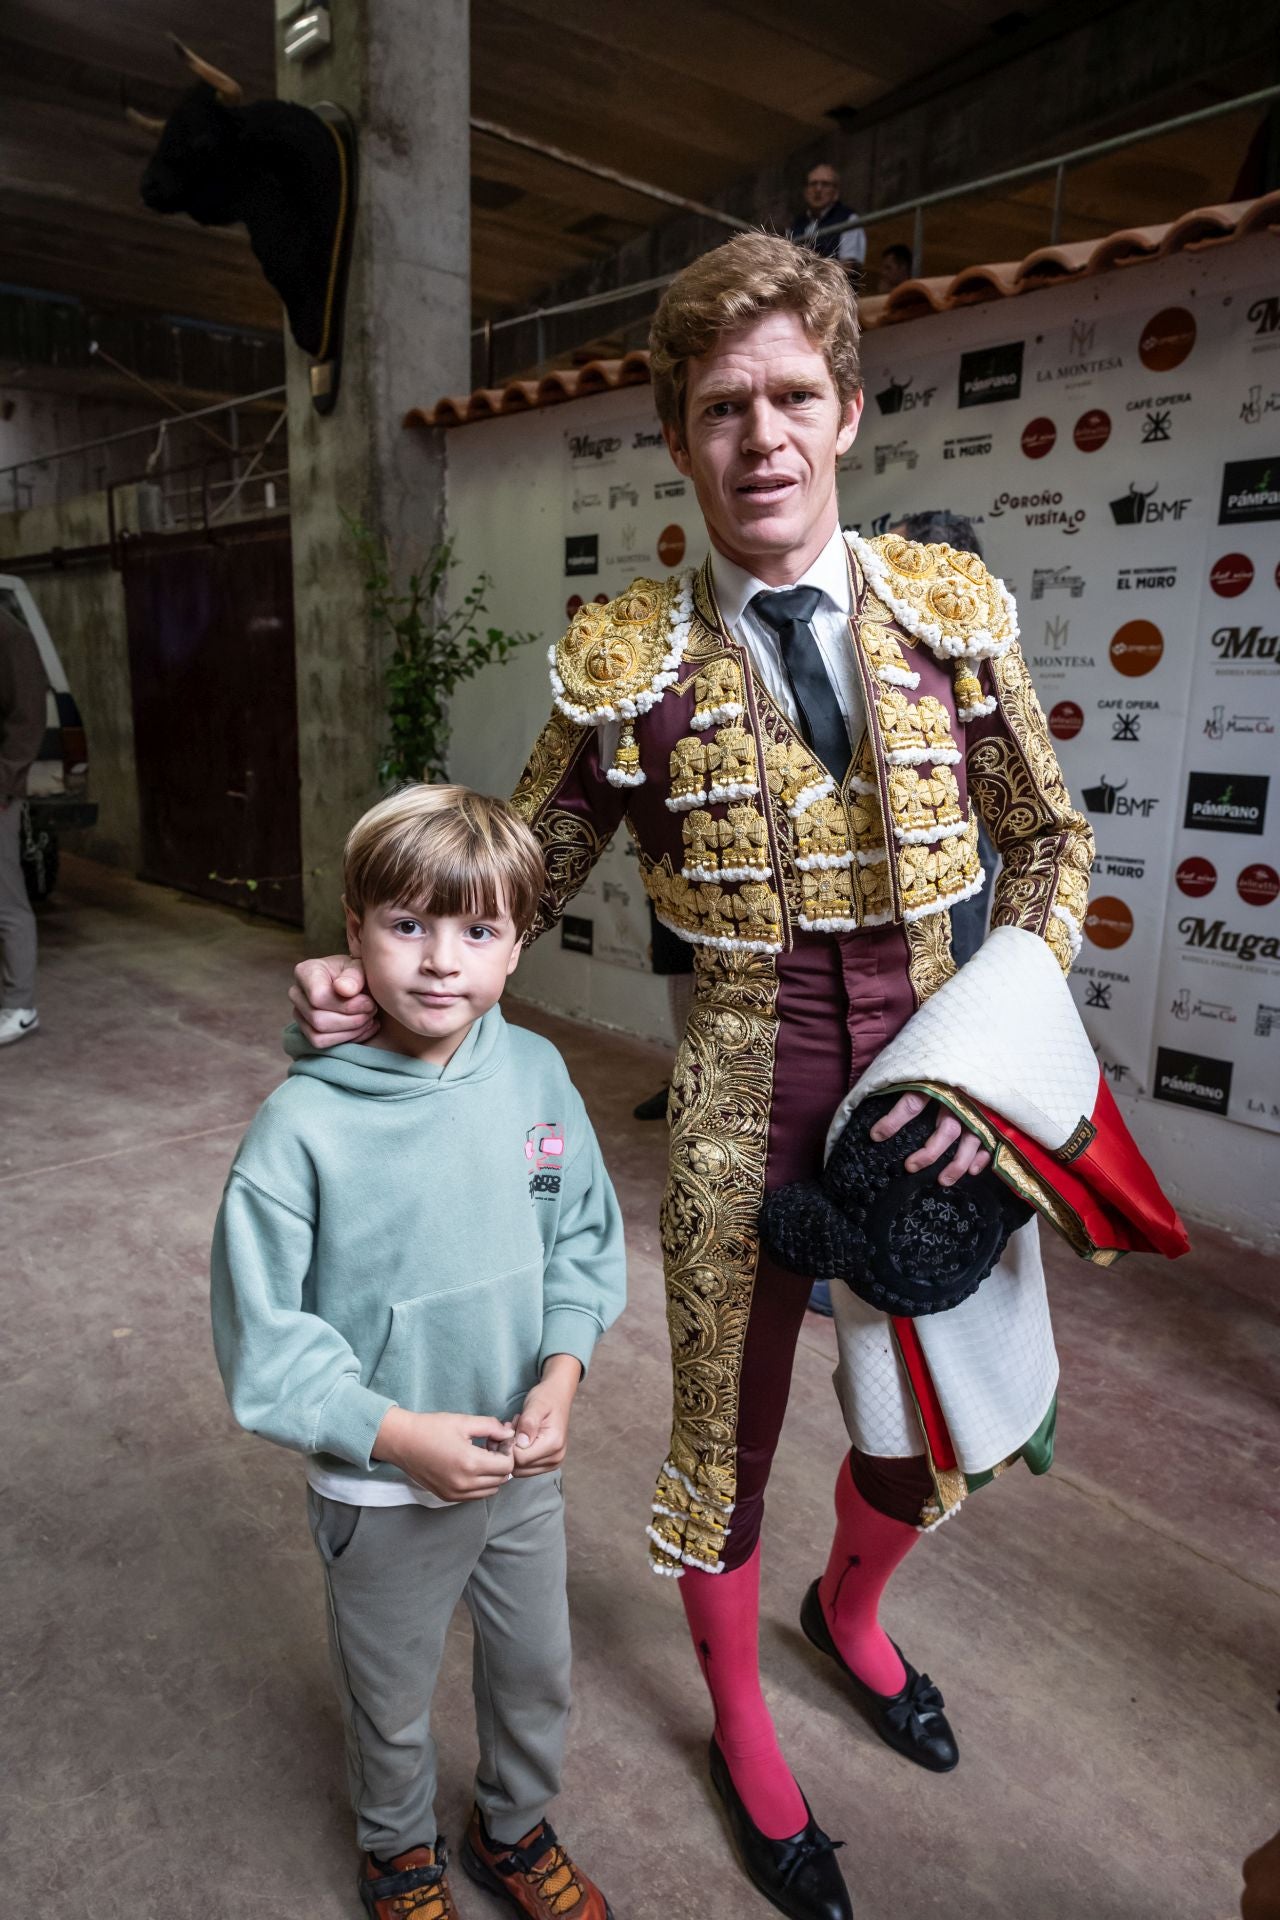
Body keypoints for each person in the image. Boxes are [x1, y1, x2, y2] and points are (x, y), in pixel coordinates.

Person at [292, 235, 1093, 1920]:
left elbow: (1046, 843)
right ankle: (740, 1715)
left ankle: (853, 1618)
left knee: (935, 1419)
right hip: (747, 1090)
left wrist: (999, 1062)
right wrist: (382, 960)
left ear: (851, 413)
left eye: (795, 397)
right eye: (725, 407)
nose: (765, 437)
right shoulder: (626, 659)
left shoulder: (951, 618)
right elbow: (522, 868)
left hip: (948, 1087)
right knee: (726, 1442)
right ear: (678, 432)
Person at [214, 784, 626, 1920]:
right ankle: (398, 1853)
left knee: (535, 1671)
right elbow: (263, 1334)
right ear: (351, 934)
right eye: (408, 926)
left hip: (520, 1465)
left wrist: (560, 1373)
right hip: (380, 1487)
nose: (442, 963)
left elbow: (575, 1230)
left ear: (515, 947)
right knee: (388, 1698)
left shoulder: (538, 1082)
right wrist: (393, 1436)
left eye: (478, 931)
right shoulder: (300, 1130)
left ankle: (513, 1828)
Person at [0, 601, 47, 1047]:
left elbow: (28, 716)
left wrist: (4, 781)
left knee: (5, 902)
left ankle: (21, 1007)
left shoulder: (10, 635)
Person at [788, 164, 866, 275]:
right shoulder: (797, 224)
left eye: (825, 184)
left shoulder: (848, 219)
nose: (818, 189)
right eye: (813, 184)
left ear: (836, 192)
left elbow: (849, 268)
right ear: (805, 191)